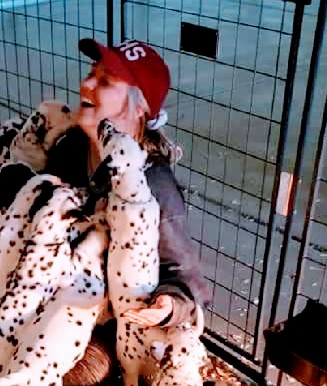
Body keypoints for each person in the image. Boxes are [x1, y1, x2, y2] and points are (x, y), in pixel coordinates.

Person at [44, 38, 210, 328]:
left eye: (105, 82)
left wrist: (167, 306)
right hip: (57, 291)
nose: (87, 85)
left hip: (117, 320)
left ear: (140, 107)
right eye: (91, 73)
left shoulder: (153, 184)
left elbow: (187, 278)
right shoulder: (69, 147)